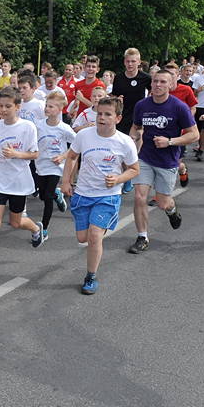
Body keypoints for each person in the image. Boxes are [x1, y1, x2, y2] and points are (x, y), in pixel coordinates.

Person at [61, 97, 139, 294]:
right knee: (82, 238)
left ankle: (90, 276)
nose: (101, 117)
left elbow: (134, 169)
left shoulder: (124, 142)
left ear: (118, 118)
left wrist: (119, 178)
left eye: (107, 114)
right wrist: (66, 181)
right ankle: (98, 229)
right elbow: (71, 157)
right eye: (99, 113)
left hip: (108, 195)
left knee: (95, 236)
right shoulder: (84, 135)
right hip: (83, 193)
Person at [128, 69, 199, 254]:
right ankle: (142, 236)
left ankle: (171, 210)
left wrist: (170, 142)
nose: (158, 85)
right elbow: (135, 128)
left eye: (162, 82)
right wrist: (129, 148)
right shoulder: (142, 105)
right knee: (139, 197)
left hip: (168, 160)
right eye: (155, 81)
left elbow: (194, 134)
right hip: (145, 157)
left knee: (162, 203)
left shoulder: (179, 107)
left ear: (170, 85)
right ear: (151, 84)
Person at [0, 86, 44, 284]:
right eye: (1, 106)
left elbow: (35, 154)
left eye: (8, 106)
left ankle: (35, 229)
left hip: (19, 181)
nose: (4, 109)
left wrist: (16, 154)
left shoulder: (28, 127)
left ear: (18, 106)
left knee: (16, 223)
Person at [34, 93, 76, 240]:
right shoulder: (38, 125)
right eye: (46, 105)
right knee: (41, 195)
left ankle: (44, 229)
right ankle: (57, 195)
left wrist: (63, 156)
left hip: (55, 167)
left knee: (47, 197)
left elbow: (77, 145)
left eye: (51, 106)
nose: (47, 108)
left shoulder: (64, 128)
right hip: (40, 165)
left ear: (59, 109)